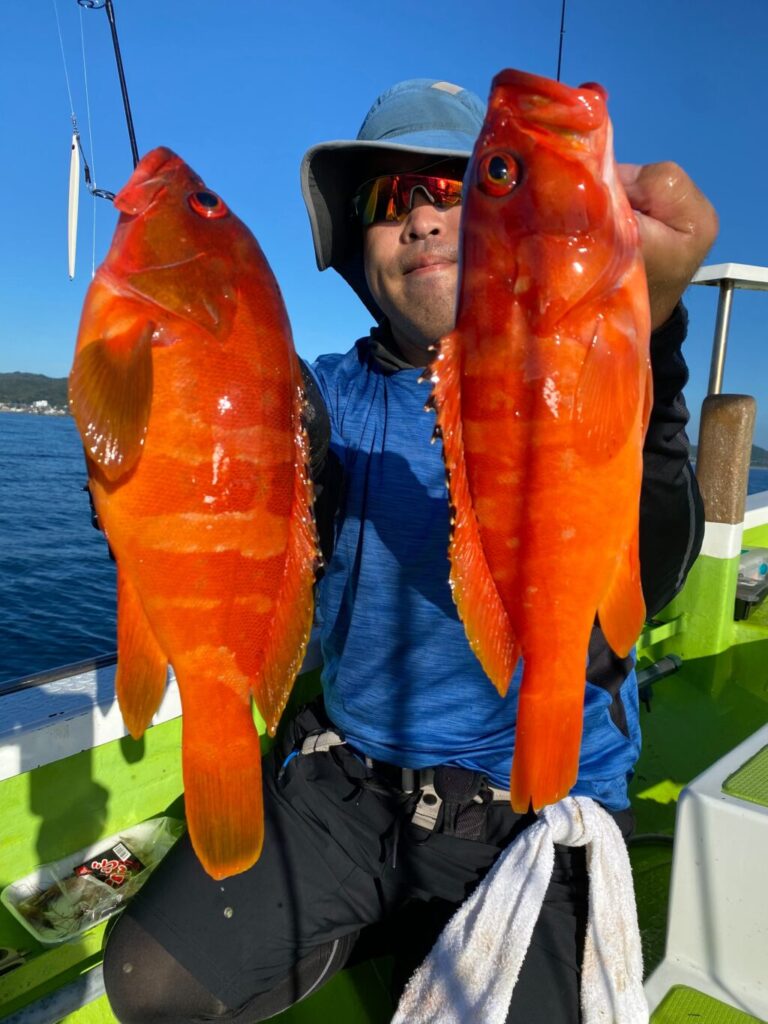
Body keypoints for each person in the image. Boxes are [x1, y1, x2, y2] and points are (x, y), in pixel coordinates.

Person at [102, 79, 717, 1023]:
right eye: (390, 202)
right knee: (147, 980)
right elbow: (256, 531)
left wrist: (655, 330)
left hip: (532, 806)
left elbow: (658, 558)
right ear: (359, 250)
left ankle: (415, 930)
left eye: (461, 189)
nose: (424, 219)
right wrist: (148, 439)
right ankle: (369, 930)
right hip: (348, 785)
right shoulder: (321, 397)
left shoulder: (587, 359)